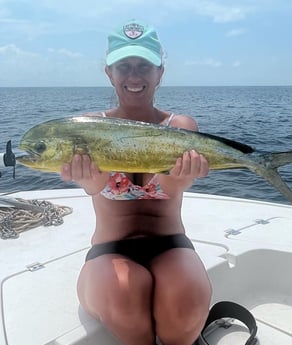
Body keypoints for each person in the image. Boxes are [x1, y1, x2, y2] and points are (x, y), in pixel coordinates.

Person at [60, 20, 212, 345]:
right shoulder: (90, 128)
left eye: (144, 66)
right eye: (123, 66)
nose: (134, 76)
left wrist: (178, 180)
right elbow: (94, 186)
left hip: (169, 243)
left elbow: (168, 189)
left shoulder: (180, 126)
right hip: (109, 250)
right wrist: (89, 182)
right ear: (108, 73)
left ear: (160, 73)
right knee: (125, 294)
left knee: (186, 306)